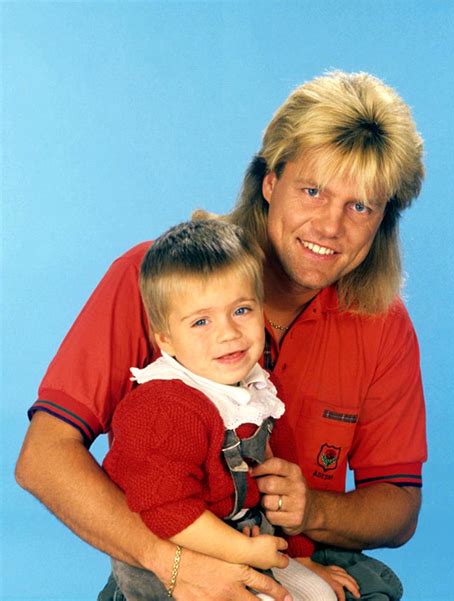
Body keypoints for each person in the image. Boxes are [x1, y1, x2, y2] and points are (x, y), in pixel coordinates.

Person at [16, 70, 427, 601]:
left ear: (383, 220)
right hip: (167, 548)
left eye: (360, 206)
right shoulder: (156, 277)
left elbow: (398, 507)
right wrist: (173, 564)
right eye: (312, 190)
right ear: (270, 182)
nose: (330, 226)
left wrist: (317, 511)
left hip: (296, 549)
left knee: (368, 588)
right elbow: (43, 458)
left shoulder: (383, 325)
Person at [104, 219, 350, 601]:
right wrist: (244, 553)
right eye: (201, 321)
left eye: (241, 310)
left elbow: (278, 482)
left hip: (241, 538)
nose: (228, 333)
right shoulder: (162, 407)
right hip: (172, 557)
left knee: (319, 594)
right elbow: (166, 511)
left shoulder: (258, 389)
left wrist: (299, 556)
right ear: (166, 339)